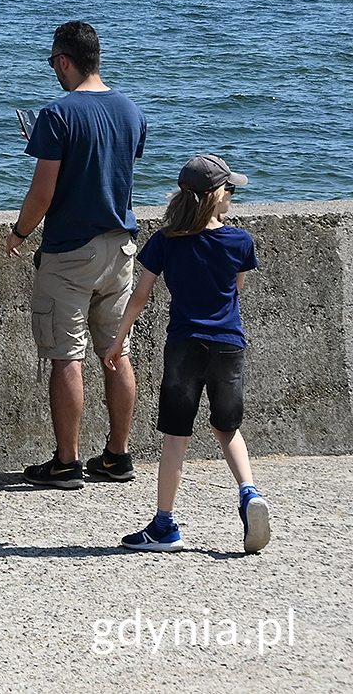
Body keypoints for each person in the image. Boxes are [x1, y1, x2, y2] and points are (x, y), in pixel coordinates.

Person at [5, 20, 148, 490]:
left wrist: (20, 233)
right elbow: (110, 169)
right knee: (115, 350)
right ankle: (117, 456)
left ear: (64, 60)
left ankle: (66, 463)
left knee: (67, 356)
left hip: (70, 251)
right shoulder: (131, 111)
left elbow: (44, 191)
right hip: (121, 245)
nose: (53, 70)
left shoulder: (57, 115)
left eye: (52, 62)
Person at [104, 156, 270, 553]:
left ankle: (164, 526)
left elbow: (139, 296)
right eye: (230, 189)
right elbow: (235, 290)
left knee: (176, 437)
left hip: (183, 346)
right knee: (227, 428)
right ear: (216, 197)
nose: (232, 195)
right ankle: (249, 493)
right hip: (229, 344)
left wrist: (117, 340)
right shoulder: (239, 241)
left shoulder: (165, 241)